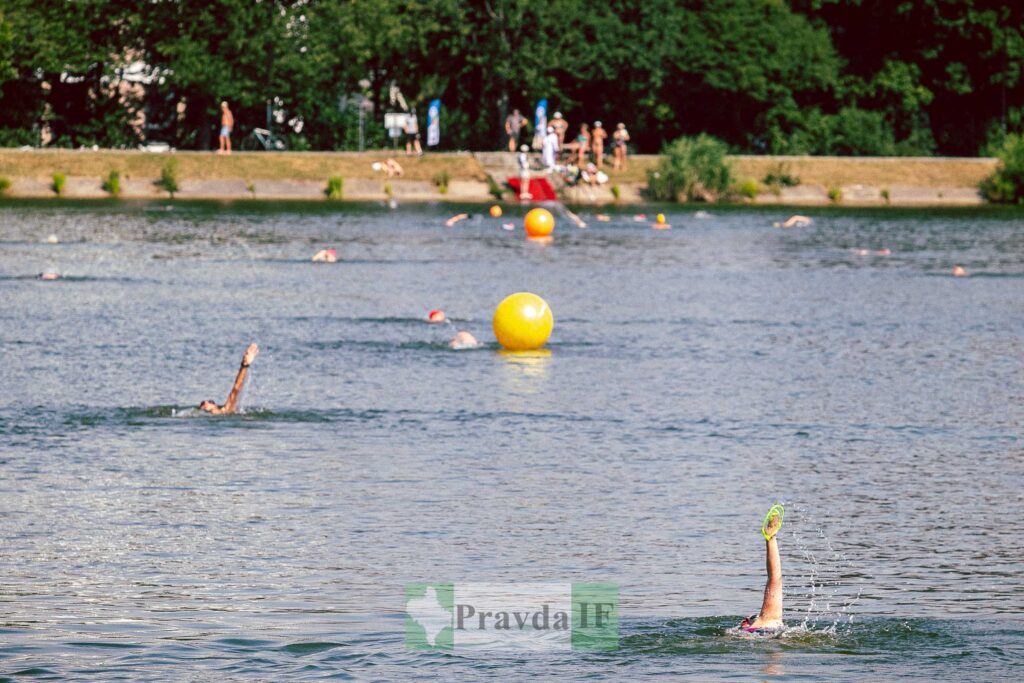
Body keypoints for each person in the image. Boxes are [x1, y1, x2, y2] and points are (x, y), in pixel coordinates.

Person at [739, 504, 786, 635]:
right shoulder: (772, 619)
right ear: (745, 622)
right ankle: (771, 537)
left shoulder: (766, 619)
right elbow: (775, 577)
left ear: (744, 623)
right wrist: (771, 538)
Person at [199, 343, 258, 415]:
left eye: (211, 401)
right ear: (201, 409)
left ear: (215, 405)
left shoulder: (225, 410)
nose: (206, 402)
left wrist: (244, 365)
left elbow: (236, 388)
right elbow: (236, 389)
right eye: (202, 403)